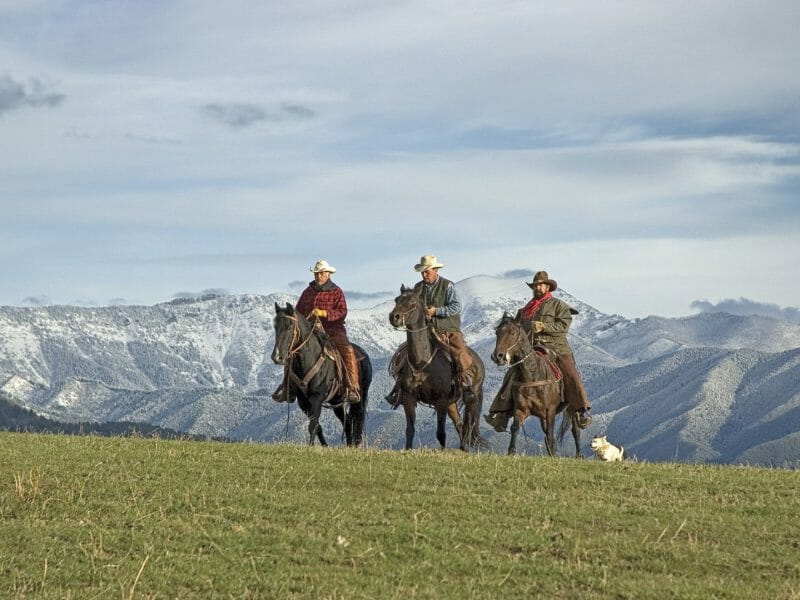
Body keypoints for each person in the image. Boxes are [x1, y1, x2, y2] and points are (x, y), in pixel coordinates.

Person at [484, 270, 592, 431]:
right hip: (531, 350)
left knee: (570, 372)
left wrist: (544, 327)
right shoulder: (525, 310)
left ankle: (582, 410)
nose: (538, 288)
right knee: (512, 374)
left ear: (548, 287)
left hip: (555, 347)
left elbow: (564, 326)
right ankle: (501, 414)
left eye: (541, 285)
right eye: (535, 286)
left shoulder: (558, 306)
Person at [274, 259, 360, 404]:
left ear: (328, 274)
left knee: (348, 351)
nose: (318, 276)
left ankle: (352, 387)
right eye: (316, 274)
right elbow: (298, 312)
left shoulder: (336, 292)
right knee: (292, 352)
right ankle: (288, 387)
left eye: (321, 273)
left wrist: (324, 313)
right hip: (311, 332)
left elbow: (342, 312)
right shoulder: (308, 292)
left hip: (333, 330)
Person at [413, 254, 474, 395]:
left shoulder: (447, 285)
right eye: (422, 272)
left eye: (427, 271)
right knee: (407, 351)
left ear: (435, 270)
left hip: (448, 329)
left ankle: (465, 381)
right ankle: (400, 387)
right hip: (425, 331)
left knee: (458, 351)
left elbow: (456, 306)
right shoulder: (418, 288)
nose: (424, 275)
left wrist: (436, 311)